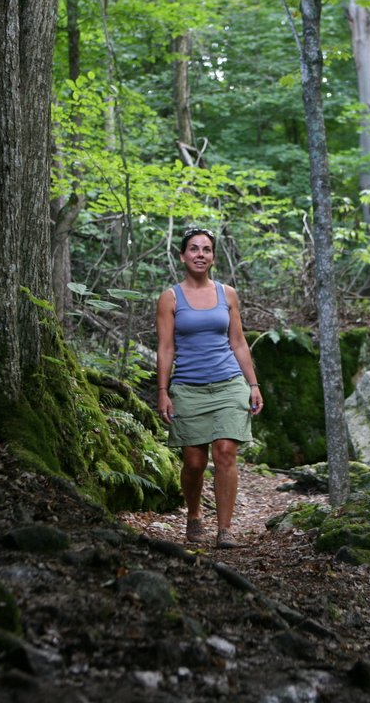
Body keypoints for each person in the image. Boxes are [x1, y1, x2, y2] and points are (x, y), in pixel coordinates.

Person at [156, 226, 263, 549]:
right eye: (193, 248)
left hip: (229, 384)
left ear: (213, 257)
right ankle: (193, 514)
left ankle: (225, 529)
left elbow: (238, 342)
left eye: (206, 249)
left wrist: (253, 384)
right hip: (188, 387)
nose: (200, 254)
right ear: (182, 255)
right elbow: (165, 349)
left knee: (226, 453)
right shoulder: (170, 298)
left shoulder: (227, 294)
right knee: (194, 463)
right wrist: (163, 391)